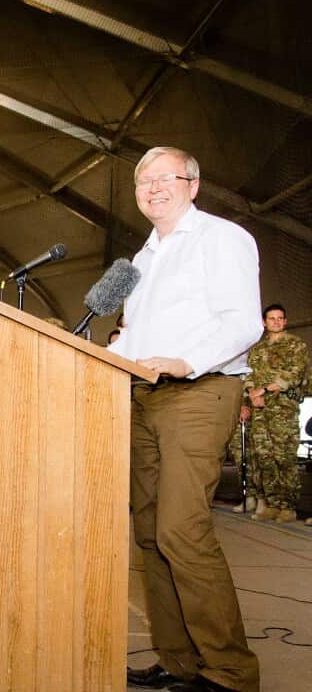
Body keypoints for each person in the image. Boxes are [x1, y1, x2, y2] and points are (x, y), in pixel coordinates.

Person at [111, 146, 261, 692]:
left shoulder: (223, 239)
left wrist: (186, 360)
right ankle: (179, 662)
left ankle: (230, 673)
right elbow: (133, 335)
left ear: (192, 185)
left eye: (163, 178)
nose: (151, 188)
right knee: (150, 533)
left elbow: (243, 321)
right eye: (142, 181)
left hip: (200, 390)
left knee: (181, 529)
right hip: (143, 396)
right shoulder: (140, 260)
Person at [242, 303, 307, 523]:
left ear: (285, 321)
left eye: (280, 318)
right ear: (264, 322)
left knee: (284, 457)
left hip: (283, 410)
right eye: (272, 318)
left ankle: (287, 506)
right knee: (264, 457)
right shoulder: (257, 349)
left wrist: (264, 389)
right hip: (260, 410)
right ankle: (270, 503)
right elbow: (248, 373)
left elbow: (294, 373)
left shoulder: (296, 345)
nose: (276, 322)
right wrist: (252, 392)